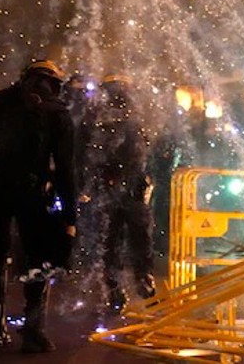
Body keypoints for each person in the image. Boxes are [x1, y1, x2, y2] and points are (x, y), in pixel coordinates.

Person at [0, 59, 77, 353]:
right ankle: (32, 331)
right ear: (55, 83)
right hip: (32, 194)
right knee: (37, 261)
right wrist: (70, 216)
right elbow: (67, 170)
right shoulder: (57, 113)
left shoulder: (1, 100)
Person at [87, 75, 156, 312]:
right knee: (130, 237)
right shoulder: (127, 114)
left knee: (113, 238)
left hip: (116, 187)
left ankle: (121, 286)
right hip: (122, 187)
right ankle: (136, 280)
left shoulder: (100, 113)